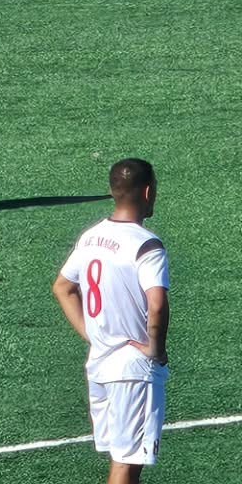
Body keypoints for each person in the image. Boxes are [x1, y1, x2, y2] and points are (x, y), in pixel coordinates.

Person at [53, 159, 170, 484]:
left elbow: (63, 287)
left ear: (112, 191)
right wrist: (155, 350)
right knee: (126, 465)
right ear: (148, 192)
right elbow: (157, 305)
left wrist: (93, 335)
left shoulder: (92, 237)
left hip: (100, 365)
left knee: (121, 461)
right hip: (133, 369)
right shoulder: (147, 245)